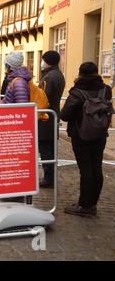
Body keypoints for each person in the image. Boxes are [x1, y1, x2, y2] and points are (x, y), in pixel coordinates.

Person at [61, 62, 113, 217]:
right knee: (97, 167)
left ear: (80, 73)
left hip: (81, 135)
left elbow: (64, 115)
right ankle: (93, 203)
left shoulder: (77, 92)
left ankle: (84, 206)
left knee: (86, 169)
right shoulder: (106, 89)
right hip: (100, 134)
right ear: (97, 72)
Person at [0, 52, 31, 203]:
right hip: (9, 126)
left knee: (14, 163)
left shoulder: (18, 82)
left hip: (14, 129)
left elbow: (22, 107)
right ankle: (9, 191)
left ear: (10, 66)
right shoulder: (15, 80)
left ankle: (15, 194)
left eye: (6, 64)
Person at [38, 51, 65, 188]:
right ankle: (50, 177)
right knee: (50, 147)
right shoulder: (58, 74)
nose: (41, 62)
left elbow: (43, 98)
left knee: (45, 148)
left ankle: (48, 178)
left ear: (47, 61)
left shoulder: (49, 77)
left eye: (43, 60)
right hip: (53, 115)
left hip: (46, 117)